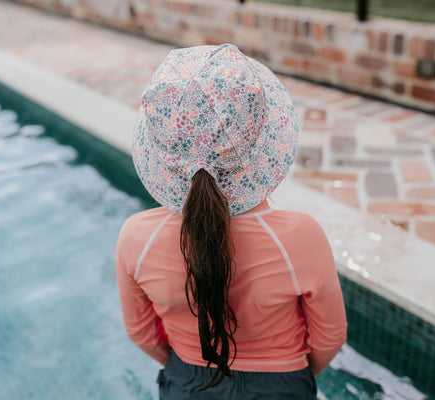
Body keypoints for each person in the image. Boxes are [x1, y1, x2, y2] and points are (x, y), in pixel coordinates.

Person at [116, 43, 347, 399]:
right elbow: (329, 336)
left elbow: (142, 334)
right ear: (263, 141)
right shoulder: (299, 237)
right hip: (282, 383)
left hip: (186, 383)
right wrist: (296, 380)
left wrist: (186, 371)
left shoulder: (136, 239)